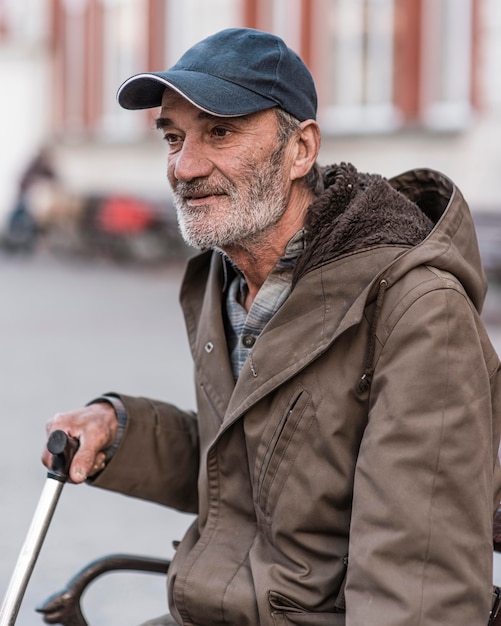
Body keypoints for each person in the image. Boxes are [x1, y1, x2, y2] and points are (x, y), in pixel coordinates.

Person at [43, 27, 501, 626]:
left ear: (300, 150)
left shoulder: (418, 312)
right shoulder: (231, 275)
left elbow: (417, 591)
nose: (185, 166)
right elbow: (262, 467)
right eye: (174, 138)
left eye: (221, 132)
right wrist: (119, 430)